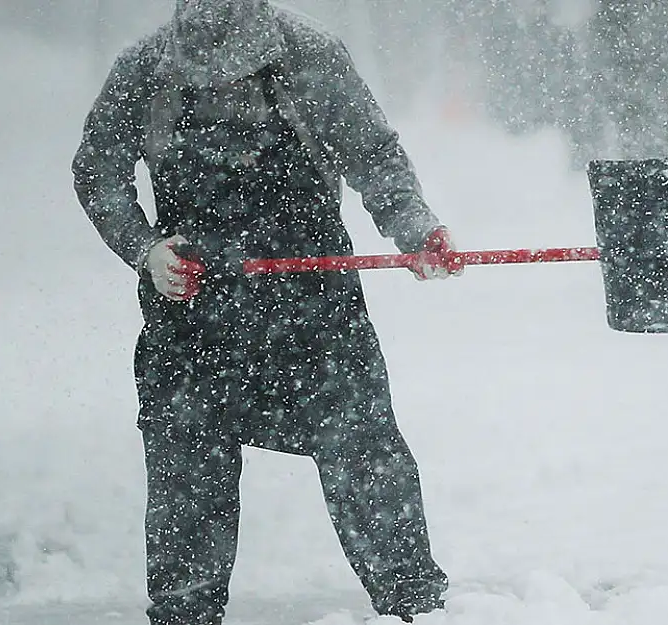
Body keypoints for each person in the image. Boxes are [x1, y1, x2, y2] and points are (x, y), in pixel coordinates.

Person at [71, 1, 460, 623]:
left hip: (314, 313)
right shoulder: (144, 71)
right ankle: (183, 611)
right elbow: (98, 173)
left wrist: (416, 229)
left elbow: (374, 156)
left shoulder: (312, 58)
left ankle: (414, 604)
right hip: (192, 316)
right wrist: (146, 250)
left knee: (363, 454)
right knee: (187, 472)